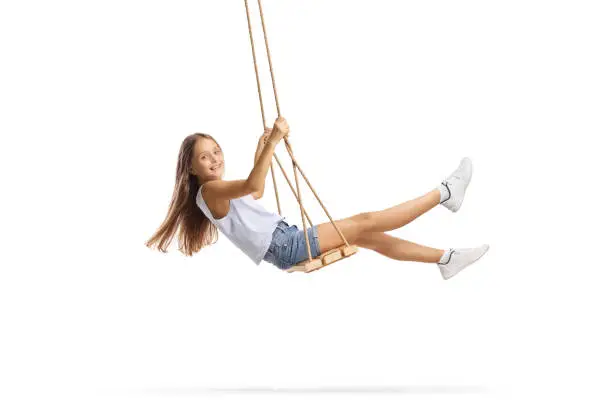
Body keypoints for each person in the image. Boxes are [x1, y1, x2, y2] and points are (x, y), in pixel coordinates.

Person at [145, 117, 489, 279]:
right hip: (287, 245)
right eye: (205, 157)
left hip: (284, 244)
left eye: (217, 151)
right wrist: (274, 141)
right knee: (366, 221)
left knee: (370, 236)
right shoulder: (209, 190)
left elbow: (256, 191)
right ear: (190, 167)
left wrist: (262, 147)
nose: (215, 159)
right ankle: (445, 192)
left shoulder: (213, 192)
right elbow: (253, 184)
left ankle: (445, 259)